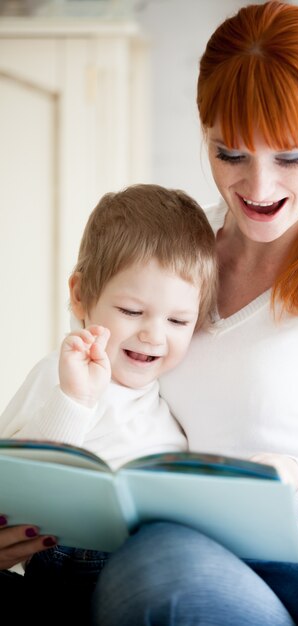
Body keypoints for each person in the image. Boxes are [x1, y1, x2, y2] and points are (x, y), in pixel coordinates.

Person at [1, 2, 298, 624]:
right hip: (129, 556)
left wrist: (294, 483)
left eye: (290, 157)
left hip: (291, 582)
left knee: (166, 565)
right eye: (230, 154)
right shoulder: (176, 255)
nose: (258, 186)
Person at [0, 183, 217, 620]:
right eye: (132, 312)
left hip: (149, 556)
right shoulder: (64, 373)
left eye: (178, 320)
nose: (154, 334)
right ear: (81, 295)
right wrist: (75, 400)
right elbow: (15, 480)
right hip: (72, 558)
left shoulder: (166, 397)